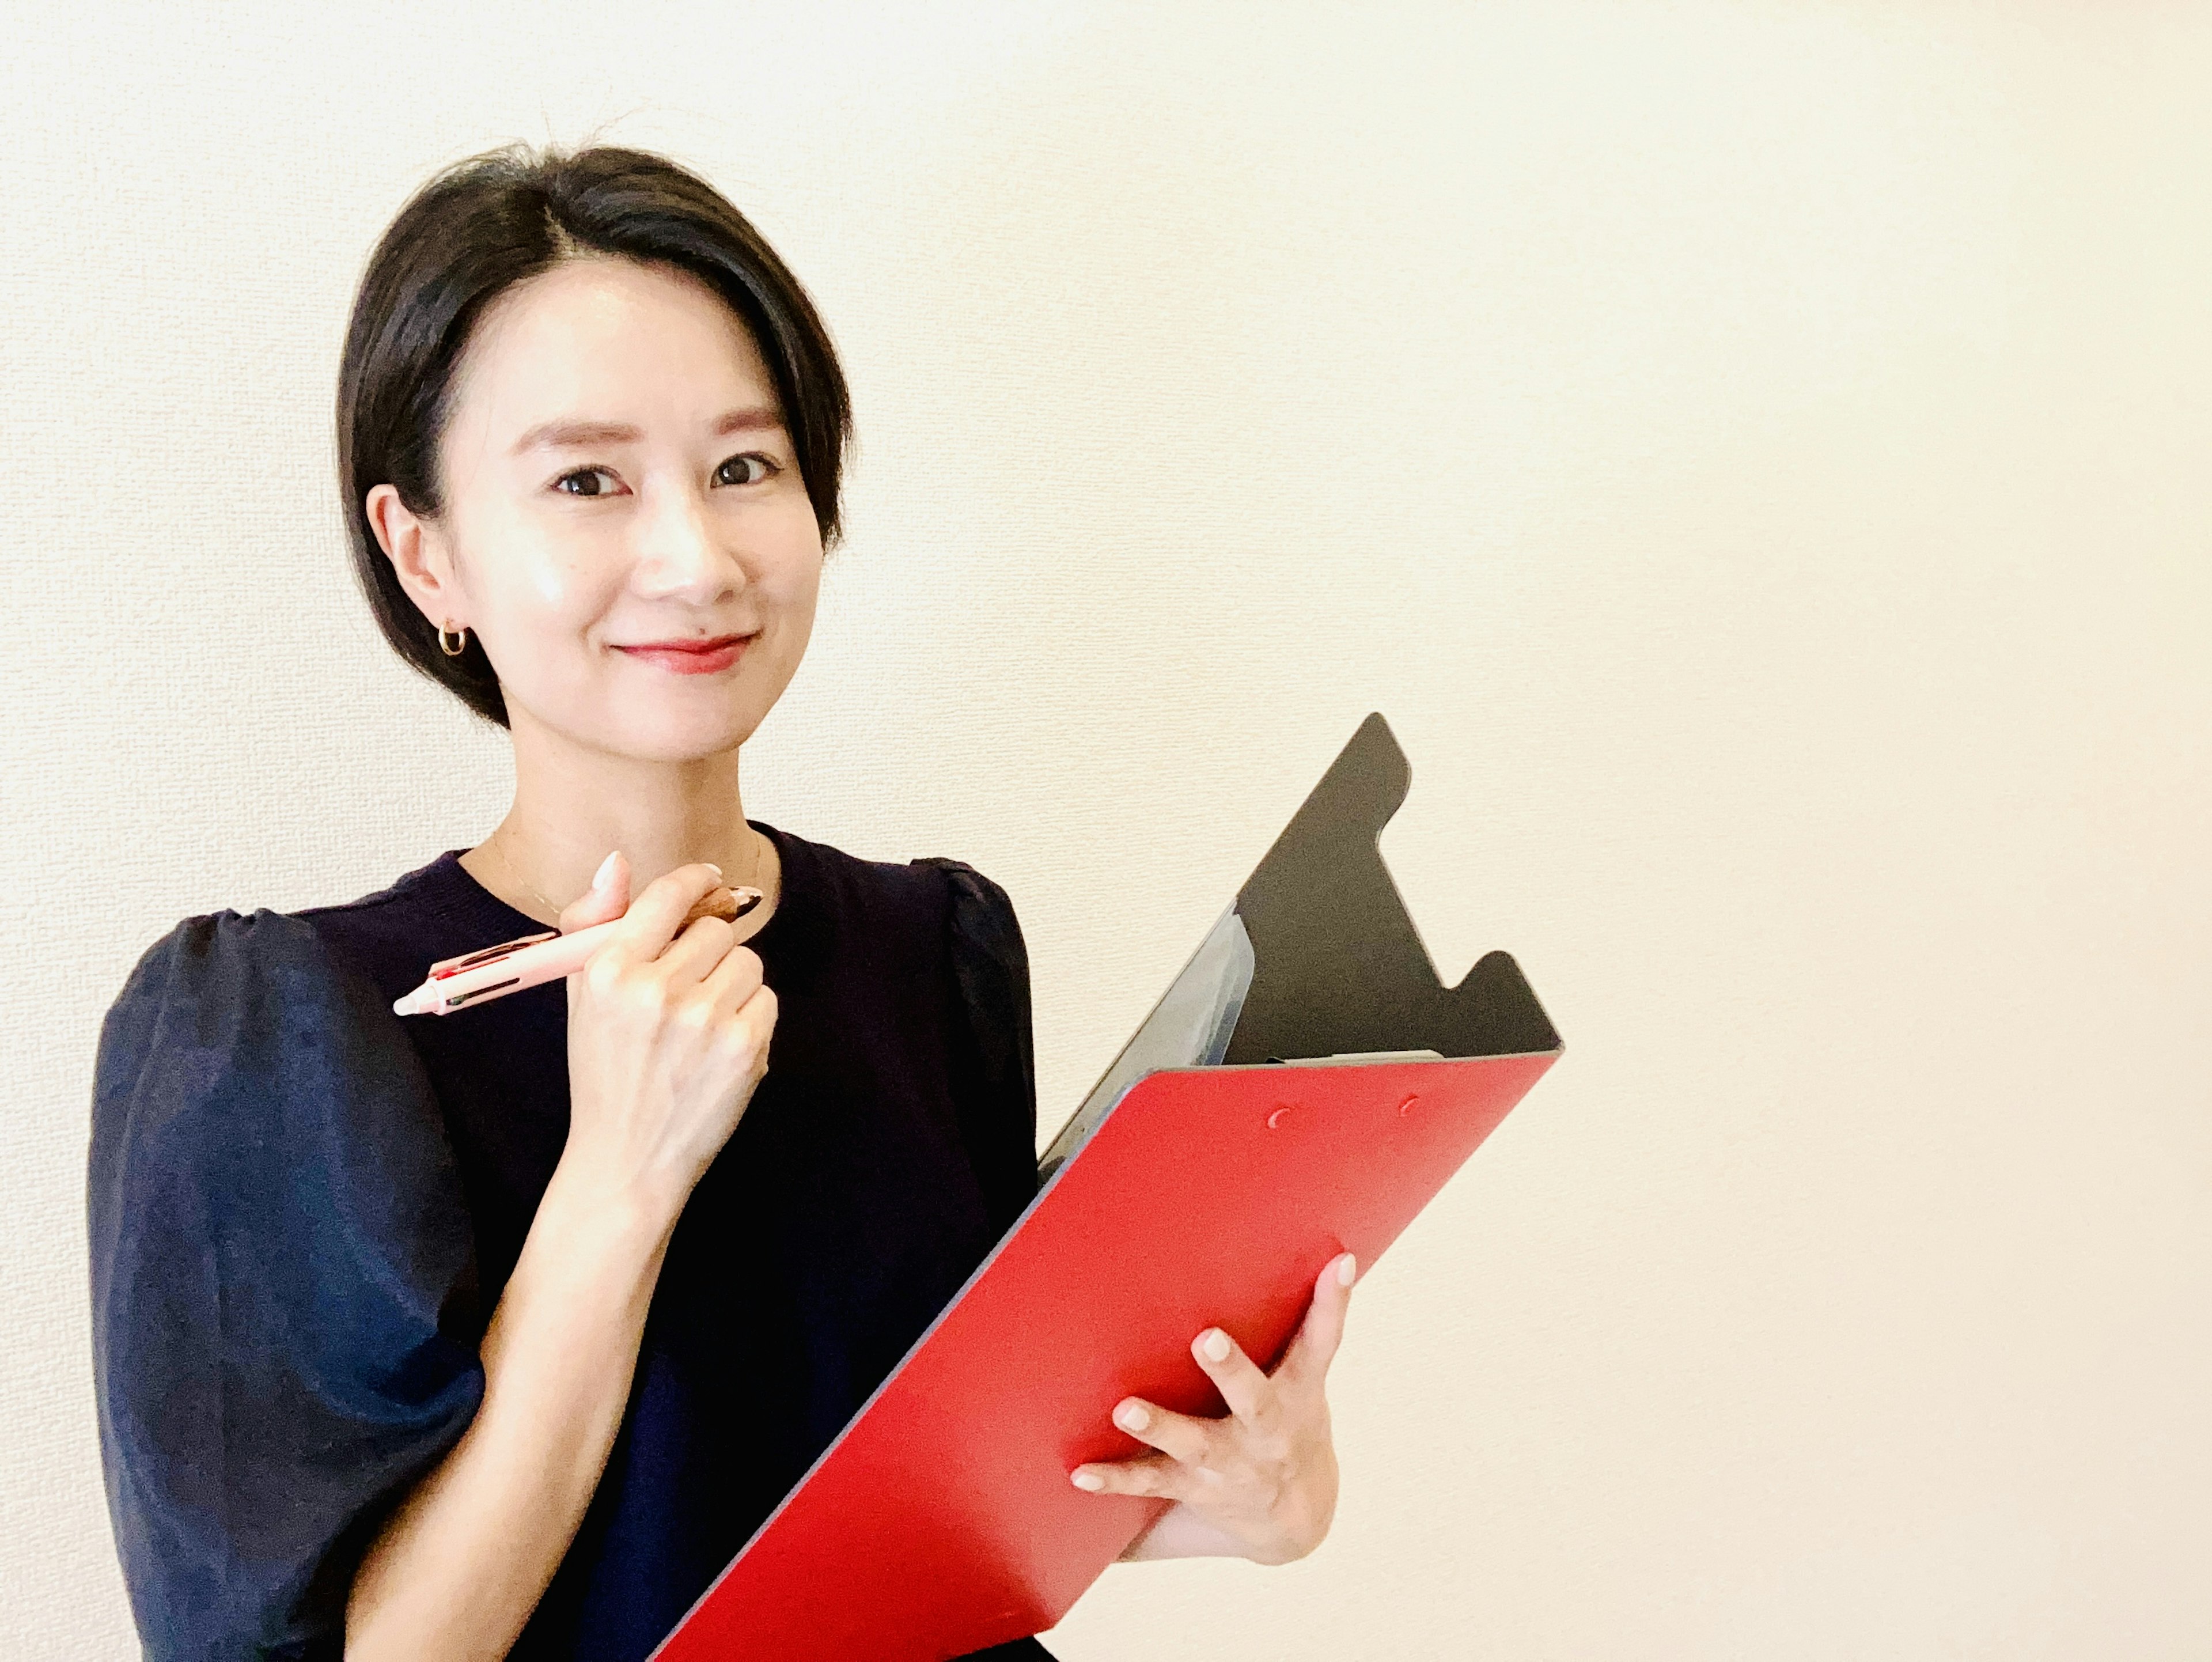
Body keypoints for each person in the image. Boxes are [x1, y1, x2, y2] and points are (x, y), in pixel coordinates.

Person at [86, 143, 1357, 1662]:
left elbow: (935, 1506)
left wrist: (1253, 1495)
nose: (694, 557)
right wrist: (617, 1181)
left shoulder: (929, 952)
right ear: (425, 554)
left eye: (745, 467)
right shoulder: (283, 1044)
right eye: (586, 481)